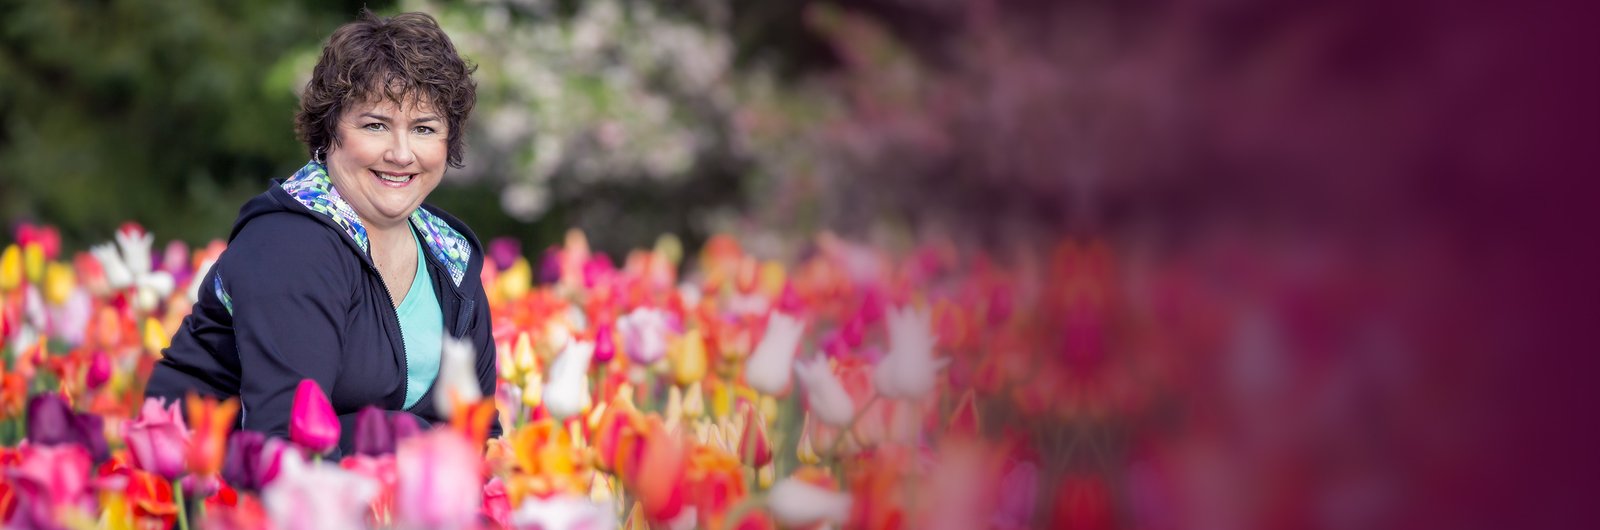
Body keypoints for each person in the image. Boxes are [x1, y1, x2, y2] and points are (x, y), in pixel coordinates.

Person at [146, 10, 499, 457]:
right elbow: (286, 447)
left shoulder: (450, 255)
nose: (401, 153)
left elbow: (479, 434)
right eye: (375, 125)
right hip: (204, 494)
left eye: (424, 129)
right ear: (329, 131)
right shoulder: (290, 245)